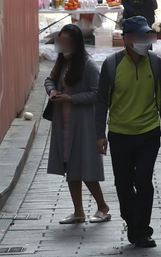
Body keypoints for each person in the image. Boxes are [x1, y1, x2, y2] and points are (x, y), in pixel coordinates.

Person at [95, 16, 161, 248]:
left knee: (144, 181)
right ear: (127, 39)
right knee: (123, 183)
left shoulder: (157, 63)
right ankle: (132, 222)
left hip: (148, 133)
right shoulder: (111, 65)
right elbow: (102, 103)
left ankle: (142, 230)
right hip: (119, 134)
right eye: (139, 36)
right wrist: (100, 134)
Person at [45, 24, 111, 224]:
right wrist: (52, 92)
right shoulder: (62, 62)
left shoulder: (87, 65)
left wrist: (71, 99)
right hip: (63, 123)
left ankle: (102, 206)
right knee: (70, 166)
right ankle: (78, 211)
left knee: (85, 167)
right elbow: (49, 80)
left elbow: (98, 93)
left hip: (82, 124)